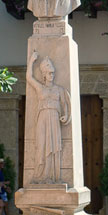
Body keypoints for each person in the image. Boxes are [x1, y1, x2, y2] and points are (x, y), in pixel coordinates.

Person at [27, 51, 70, 184]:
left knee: (52, 147)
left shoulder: (59, 89)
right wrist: (31, 61)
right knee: (41, 145)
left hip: (54, 118)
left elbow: (65, 104)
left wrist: (66, 115)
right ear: (44, 75)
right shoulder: (40, 88)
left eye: (53, 73)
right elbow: (29, 77)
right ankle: (39, 176)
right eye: (49, 73)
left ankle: (49, 176)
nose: (52, 75)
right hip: (42, 118)